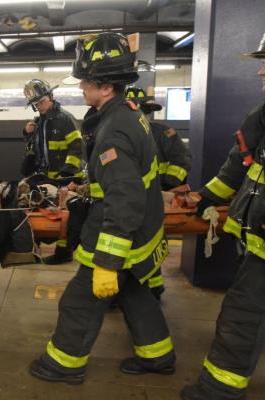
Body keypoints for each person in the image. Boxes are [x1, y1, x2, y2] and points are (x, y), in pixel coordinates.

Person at [29, 32, 175, 384]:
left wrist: (108, 263)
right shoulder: (127, 113)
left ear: (105, 87)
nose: (81, 87)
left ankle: (63, 365)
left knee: (79, 300)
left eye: (86, 82)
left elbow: (123, 200)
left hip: (119, 236)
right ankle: (158, 357)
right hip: (142, 231)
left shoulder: (113, 132)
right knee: (137, 294)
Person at [181, 33, 265, 400]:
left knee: (242, 318)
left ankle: (218, 392)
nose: (262, 72)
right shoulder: (261, 119)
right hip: (255, 244)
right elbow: (236, 168)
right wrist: (205, 198)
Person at [124, 85, 192, 299]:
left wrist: (166, 184)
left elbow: (182, 161)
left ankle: (154, 286)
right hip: (128, 199)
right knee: (127, 244)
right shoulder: (119, 133)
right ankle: (128, 287)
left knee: (152, 242)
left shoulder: (163, 133)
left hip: (156, 198)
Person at [21, 78, 84, 264]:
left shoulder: (65, 119)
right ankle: (34, 248)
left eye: (40, 102)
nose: (38, 106)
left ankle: (64, 252)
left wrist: (67, 177)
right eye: (35, 104)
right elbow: (36, 149)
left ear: (50, 96)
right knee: (35, 211)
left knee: (64, 215)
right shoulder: (39, 122)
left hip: (64, 179)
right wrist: (27, 133)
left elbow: (76, 148)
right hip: (44, 178)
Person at [124, 85, 192, 190]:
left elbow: (182, 161)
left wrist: (168, 185)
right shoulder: (117, 135)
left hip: (159, 192)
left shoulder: (163, 133)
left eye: (143, 113)